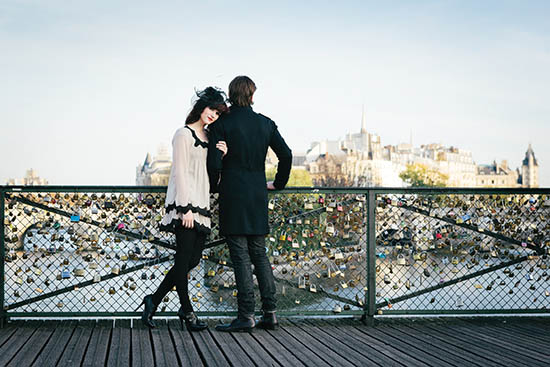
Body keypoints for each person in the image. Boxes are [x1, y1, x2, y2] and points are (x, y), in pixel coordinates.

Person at [138, 87, 229, 331]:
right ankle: (187, 311)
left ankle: (153, 300)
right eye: (211, 109)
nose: (213, 116)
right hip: (186, 206)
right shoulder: (183, 134)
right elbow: (179, 173)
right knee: (183, 259)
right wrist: (185, 208)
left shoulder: (211, 140)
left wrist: (222, 156)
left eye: (218, 113)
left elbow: (213, 180)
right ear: (201, 107)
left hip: (202, 204)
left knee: (192, 260)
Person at [207, 76, 292, 332]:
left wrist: (215, 186)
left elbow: (213, 164)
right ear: (253, 95)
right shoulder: (265, 123)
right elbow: (286, 155)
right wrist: (278, 183)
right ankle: (270, 313)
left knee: (241, 258)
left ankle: (246, 315)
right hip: (257, 194)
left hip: (233, 194)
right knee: (260, 254)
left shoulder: (222, 125)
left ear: (231, 96)